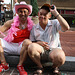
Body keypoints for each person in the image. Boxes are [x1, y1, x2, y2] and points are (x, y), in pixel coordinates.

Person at [22, 3, 70, 74]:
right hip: (40, 51)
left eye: (45, 14)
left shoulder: (55, 23)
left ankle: (54, 67)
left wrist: (56, 13)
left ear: (49, 16)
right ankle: (40, 66)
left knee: (61, 57)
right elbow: (31, 42)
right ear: (38, 14)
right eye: (41, 14)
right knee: (31, 47)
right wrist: (39, 43)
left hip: (53, 50)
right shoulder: (34, 28)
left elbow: (66, 28)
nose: (42, 16)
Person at [0, 1, 34, 75]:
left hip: (22, 47)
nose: (23, 14)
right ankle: (4, 64)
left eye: (25, 11)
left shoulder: (32, 25)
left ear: (28, 13)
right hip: (10, 45)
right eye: (20, 11)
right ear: (17, 13)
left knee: (28, 42)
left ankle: (20, 65)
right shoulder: (11, 22)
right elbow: (1, 30)